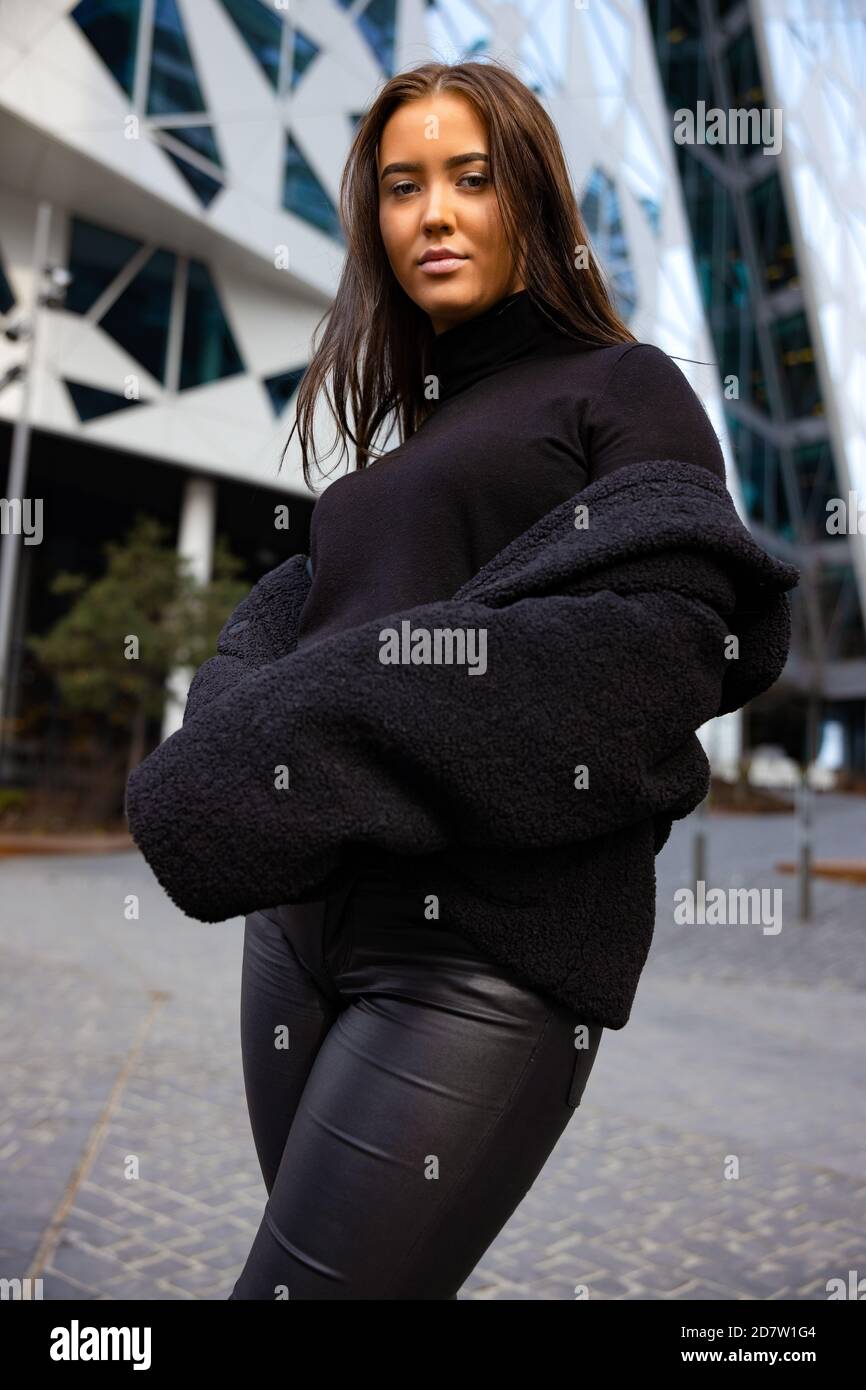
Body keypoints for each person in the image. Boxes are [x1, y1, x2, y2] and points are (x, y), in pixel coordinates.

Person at [228, 59, 727, 1300]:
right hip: (298, 932)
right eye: (402, 187)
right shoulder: (409, 438)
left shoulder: (623, 387)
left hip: (485, 954)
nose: (432, 214)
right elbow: (297, 642)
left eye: (471, 178)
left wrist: (352, 698)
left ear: (534, 201)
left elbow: (666, 648)